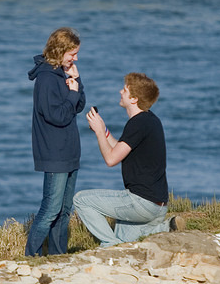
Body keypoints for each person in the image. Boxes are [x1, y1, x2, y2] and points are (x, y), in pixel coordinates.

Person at [73, 72, 175, 247]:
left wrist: (98, 132)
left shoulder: (137, 123)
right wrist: (104, 131)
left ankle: (108, 246)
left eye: (125, 89)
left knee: (81, 200)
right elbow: (120, 149)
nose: (120, 92)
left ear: (134, 99)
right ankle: (165, 228)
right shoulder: (150, 120)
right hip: (158, 206)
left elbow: (111, 159)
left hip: (141, 202)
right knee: (124, 239)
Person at [25, 27, 86, 256]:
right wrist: (72, 94)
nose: (76, 58)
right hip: (54, 154)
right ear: (60, 51)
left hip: (70, 151)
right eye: (73, 53)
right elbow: (57, 116)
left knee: (64, 210)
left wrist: (77, 80)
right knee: (50, 209)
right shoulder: (46, 79)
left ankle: (58, 255)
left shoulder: (63, 74)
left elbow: (78, 106)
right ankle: (31, 255)